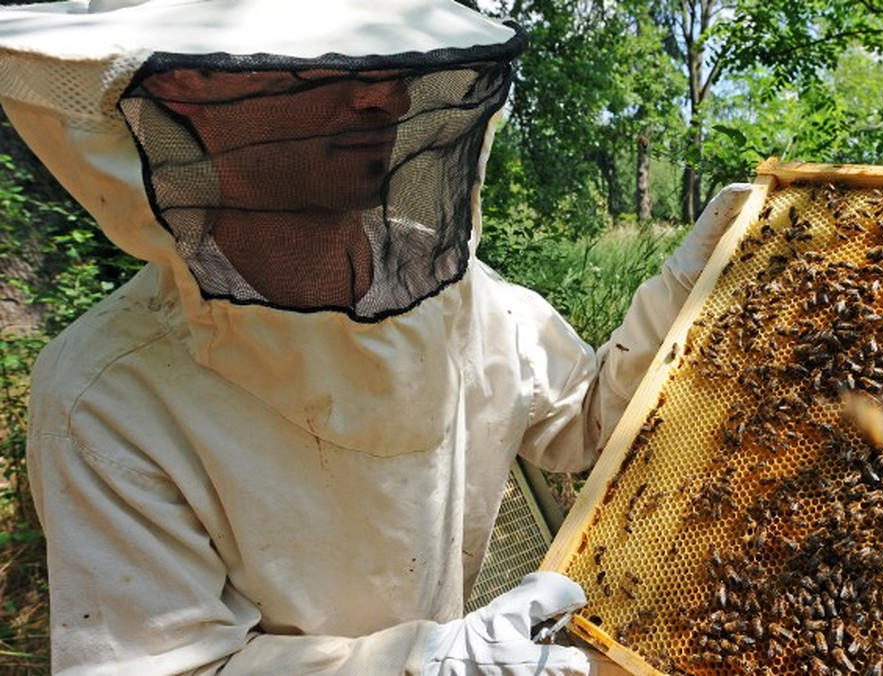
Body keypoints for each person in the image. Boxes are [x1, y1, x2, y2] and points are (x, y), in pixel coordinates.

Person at [0, 0, 751, 674]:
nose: (384, 96)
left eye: (397, 64)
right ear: (182, 86)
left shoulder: (462, 295)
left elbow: (590, 423)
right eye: (326, 65)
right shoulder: (108, 395)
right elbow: (168, 666)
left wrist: (697, 284)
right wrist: (420, 661)